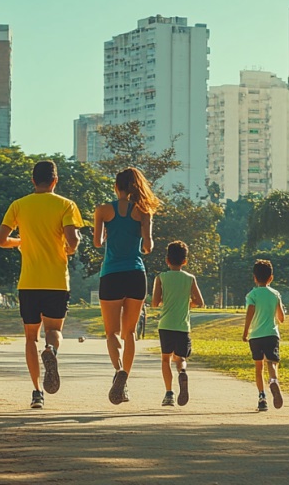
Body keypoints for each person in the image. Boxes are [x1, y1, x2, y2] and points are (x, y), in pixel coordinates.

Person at [0, 160, 84, 410]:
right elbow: (72, 239)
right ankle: (51, 350)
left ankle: (37, 393)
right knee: (54, 331)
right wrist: (69, 248)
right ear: (55, 181)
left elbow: (2, 240)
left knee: (29, 338)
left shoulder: (18, 205)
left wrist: (21, 241)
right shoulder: (66, 205)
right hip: (56, 281)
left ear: (33, 181)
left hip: (29, 282)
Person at [93, 167, 160, 405]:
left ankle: (118, 369)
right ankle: (125, 381)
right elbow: (148, 247)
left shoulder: (102, 210)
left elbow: (98, 243)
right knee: (129, 332)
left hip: (111, 274)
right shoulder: (144, 211)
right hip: (135, 274)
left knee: (111, 333)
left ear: (116, 186)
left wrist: (111, 234)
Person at [152, 240, 204, 407]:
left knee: (166, 359)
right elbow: (200, 301)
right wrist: (188, 304)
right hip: (182, 326)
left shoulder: (161, 278)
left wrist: (165, 302)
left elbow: (154, 302)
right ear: (185, 261)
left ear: (167, 260)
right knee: (180, 357)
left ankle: (169, 393)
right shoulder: (190, 278)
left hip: (166, 324)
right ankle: (182, 372)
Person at [242, 258, 286, 412]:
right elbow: (281, 318)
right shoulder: (275, 294)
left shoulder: (251, 295)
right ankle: (273, 380)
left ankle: (262, 397)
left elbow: (250, 313)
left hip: (256, 336)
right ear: (271, 278)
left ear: (254, 277)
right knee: (272, 362)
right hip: (272, 334)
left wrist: (245, 331)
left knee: (258, 366)